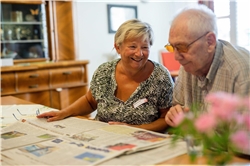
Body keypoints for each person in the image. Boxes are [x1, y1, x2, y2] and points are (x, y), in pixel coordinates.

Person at [37, 19, 174, 132]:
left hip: (143, 141)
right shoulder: (104, 71)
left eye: (145, 47)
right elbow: (90, 101)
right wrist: (63, 112)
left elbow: (166, 118)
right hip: (103, 137)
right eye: (132, 47)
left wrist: (134, 130)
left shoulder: (160, 77)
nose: (139, 53)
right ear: (118, 47)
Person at [164, 4, 250, 127]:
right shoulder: (188, 66)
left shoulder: (241, 71)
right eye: (172, 47)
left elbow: (243, 140)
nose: (176, 57)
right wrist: (174, 114)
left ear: (210, 42)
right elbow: (178, 106)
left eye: (182, 47)